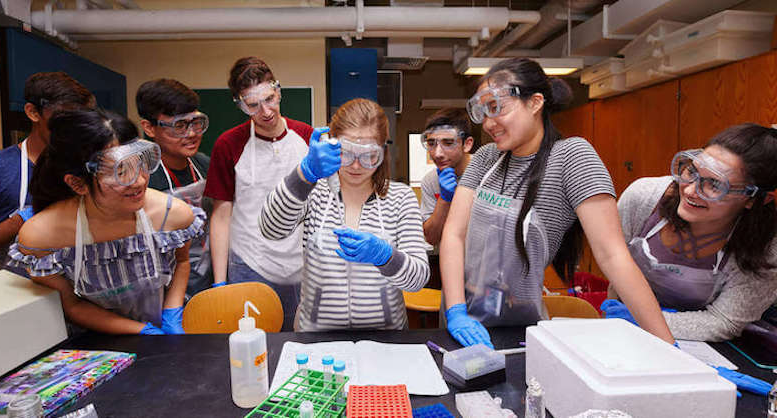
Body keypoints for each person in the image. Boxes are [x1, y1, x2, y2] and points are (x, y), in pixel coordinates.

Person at [439, 57, 674, 348]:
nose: (488, 123)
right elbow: (454, 234)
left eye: (496, 108)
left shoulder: (570, 158)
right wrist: (456, 311)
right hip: (462, 317)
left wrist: (668, 346)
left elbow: (613, 256)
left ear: (535, 103)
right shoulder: (487, 160)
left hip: (522, 329)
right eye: (483, 112)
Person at [7, 109, 205, 335]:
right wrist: (141, 331)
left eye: (140, 163)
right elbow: (72, 304)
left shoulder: (172, 214)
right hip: (93, 343)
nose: (139, 181)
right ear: (77, 183)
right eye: (121, 171)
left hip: (161, 329)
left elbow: (182, 263)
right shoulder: (42, 236)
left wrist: (172, 313)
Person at [259, 98, 430, 331]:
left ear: (383, 153)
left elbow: (417, 279)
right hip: (316, 335)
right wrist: (304, 173)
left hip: (386, 337)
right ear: (330, 147)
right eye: (346, 153)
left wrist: (385, 257)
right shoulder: (313, 192)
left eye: (369, 155)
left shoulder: (401, 198)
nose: (356, 165)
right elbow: (271, 229)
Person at [604, 124, 777, 341]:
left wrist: (640, 320)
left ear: (753, 199)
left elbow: (723, 321)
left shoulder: (766, 247)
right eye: (692, 171)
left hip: (700, 344)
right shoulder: (644, 198)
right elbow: (614, 267)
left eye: (714, 184)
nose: (690, 190)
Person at [204, 57, 312, 331]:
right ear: (240, 105)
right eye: (253, 105)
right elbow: (221, 214)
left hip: (301, 264)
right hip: (250, 263)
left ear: (279, 91)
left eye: (270, 99)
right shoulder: (228, 144)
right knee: (253, 344)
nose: (266, 111)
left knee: (300, 340)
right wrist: (219, 282)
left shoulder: (307, 137)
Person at [0, 72, 94, 275]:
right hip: (22, 295)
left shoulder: (94, 165)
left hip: (84, 292)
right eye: (63, 119)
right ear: (33, 112)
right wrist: (23, 220)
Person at [137, 78, 212, 297]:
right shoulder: (140, 176)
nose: (191, 134)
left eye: (195, 123)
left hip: (205, 279)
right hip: (159, 287)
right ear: (149, 127)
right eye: (179, 126)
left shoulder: (205, 165)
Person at [419, 108, 475, 246]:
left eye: (448, 143)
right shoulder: (431, 181)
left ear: (467, 144)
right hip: (451, 259)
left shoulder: (488, 173)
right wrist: (444, 200)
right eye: (431, 144)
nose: (437, 153)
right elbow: (432, 238)